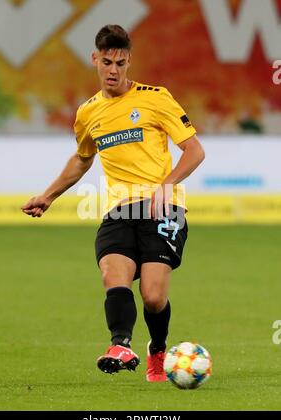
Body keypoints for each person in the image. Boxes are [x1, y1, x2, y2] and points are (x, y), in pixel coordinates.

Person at [22, 24, 205, 382]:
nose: (113, 70)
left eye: (120, 63)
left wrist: (166, 186)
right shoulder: (87, 113)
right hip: (119, 210)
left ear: (129, 62)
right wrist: (48, 196)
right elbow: (82, 159)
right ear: (95, 59)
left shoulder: (156, 98)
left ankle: (157, 347)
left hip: (161, 209)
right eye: (106, 61)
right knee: (113, 274)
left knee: (153, 297)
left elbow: (194, 150)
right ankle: (120, 344)